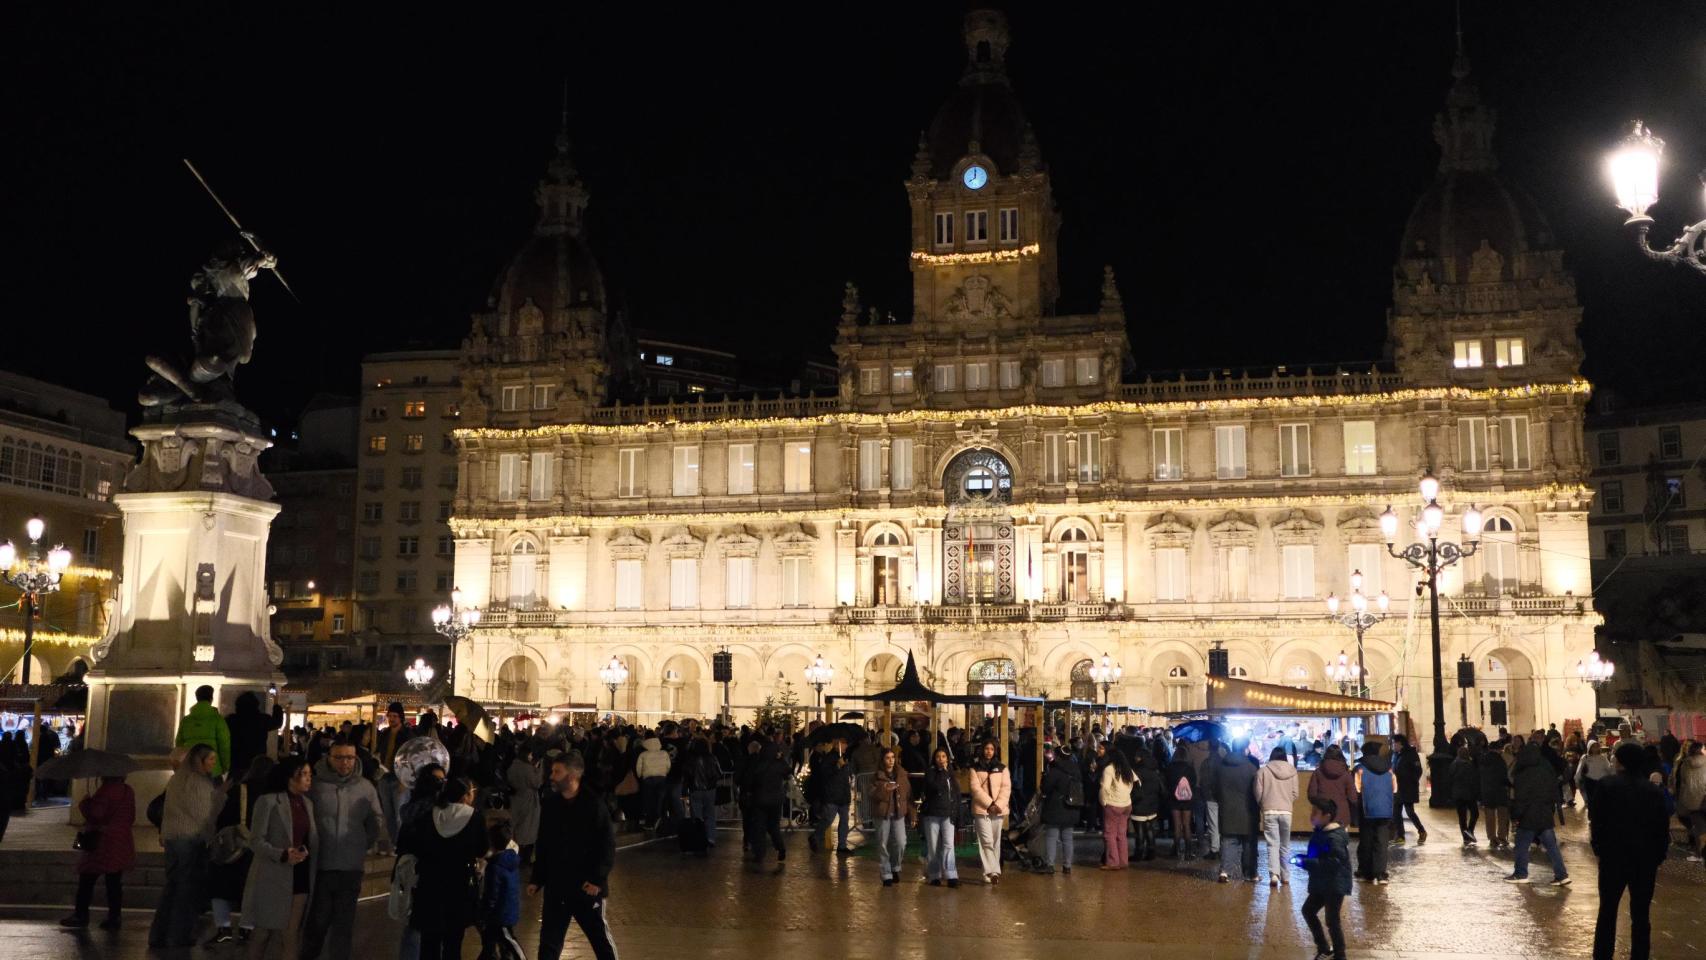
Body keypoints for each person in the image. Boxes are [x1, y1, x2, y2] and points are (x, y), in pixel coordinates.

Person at [530, 752, 618, 960]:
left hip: (585, 886)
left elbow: (606, 845)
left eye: (557, 772)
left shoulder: (594, 805)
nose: (552, 776)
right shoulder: (551, 805)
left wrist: (597, 878)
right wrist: (537, 878)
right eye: (552, 771)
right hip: (557, 885)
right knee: (549, 942)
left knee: (599, 938)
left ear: (572, 775)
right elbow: (544, 844)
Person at [301, 740, 383, 960]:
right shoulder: (315, 785)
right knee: (316, 923)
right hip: (321, 865)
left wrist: (361, 844)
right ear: (329, 757)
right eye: (339, 757)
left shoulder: (365, 787)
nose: (345, 762)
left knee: (344, 925)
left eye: (349, 757)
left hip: (351, 866)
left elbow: (376, 821)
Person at [1590, 742, 1671, 960]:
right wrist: (1658, 855)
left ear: (1622, 762)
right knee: (1641, 915)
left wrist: (1599, 848)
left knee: (1607, 911)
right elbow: (1661, 826)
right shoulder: (1651, 791)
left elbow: (1596, 821)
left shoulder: (1607, 786)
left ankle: (1603, 955)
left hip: (1613, 857)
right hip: (1644, 860)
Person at [150, 744, 225, 949]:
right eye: (210, 759)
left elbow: (168, 810)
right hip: (191, 841)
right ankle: (178, 935)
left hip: (173, 840)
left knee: (172, 888)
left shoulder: (176, 779)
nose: (213, 763)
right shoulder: (200, 783)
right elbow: (205, 816)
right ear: (199, 761)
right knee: (187, 891)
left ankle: (158, 934)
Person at [242, 756, 316, 960]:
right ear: (290, 777)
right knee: (263, 931)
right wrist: (281, 853)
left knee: (290, 932)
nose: (309, 779)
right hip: (272, 873)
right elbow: (255, 840)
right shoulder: (268, 801)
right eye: (304, 774)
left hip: (299, 870)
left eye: (310, 775)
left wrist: (303, 851)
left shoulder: (307, 803)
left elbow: (309, 837)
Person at [412, 776, 488, 960]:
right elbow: (482, 848)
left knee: (429, 940)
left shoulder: (429, 814)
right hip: (459, 883)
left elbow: (418, 845)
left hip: (430, 883)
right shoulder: (474, 817)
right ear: (464, 796)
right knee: (453, 941)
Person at [208, 756, 275, 945]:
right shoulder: (273, 795)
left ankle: (224, 927)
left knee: (221, 887)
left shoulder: (239, 789)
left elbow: (220, 817)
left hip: (234, 845)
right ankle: (247, 929)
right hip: (260, 848)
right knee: (252, 890)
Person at [59, 773, 135, 929]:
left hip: (101, 841)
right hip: (121, 840)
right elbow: (131, 816)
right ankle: (115, 917)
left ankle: (81, 914)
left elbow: (95, 815)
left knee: (87, 878)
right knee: (114, 881)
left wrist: (85, 804)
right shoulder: (128, 791)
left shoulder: (105, 791)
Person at [1505, 739, 1570, 886]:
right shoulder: (1546, 768)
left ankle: (1521, 873)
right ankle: (1562, 875)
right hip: (1545, 813)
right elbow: (1554, 789)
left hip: (1529, 815)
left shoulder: (1523, 773)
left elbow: (1521, 798)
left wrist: (1516, 815)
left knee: (1521, 845)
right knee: (1551, 846)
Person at [1300, 797, 1352, 960]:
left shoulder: (1333, 837)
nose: (1312, 815)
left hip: (1335, 884)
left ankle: (1340, 954)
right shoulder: (1321, 831)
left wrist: (1306, 862)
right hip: (1323, 883)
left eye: (1316, 812)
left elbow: (1334, 862)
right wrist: (1303, 860)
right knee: (1308, 910)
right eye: (1312, 811)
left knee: (1332, 919)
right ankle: (1324, 947)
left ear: (1327, 816)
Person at [1213, 739, 1257, 883]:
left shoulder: (1221, 767)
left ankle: (1225, 871)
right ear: (1245, 749)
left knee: (1227, 841)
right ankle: (1249, 873)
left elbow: (1215, 789)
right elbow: (1255, 791)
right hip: (1247, 810)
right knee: (1248, 843)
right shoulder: (1251, 768)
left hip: (1227, 809)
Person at [480, 820, 525, 960]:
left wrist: (484, 911)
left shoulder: (495, 867)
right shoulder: (511, 860)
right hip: (508, 908)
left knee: (508, 941)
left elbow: (491, 894)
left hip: (499, 915)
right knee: (490, 943)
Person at [1352, 741, 1395, 885]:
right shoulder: (1389, 768)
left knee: (1366, 841)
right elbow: (1395, 788)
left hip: (1367, 808)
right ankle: (1380, 874)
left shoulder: (1360, 768)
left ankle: (1366, 872)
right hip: (1385, 809)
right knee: (1382, 842)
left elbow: (1356, 790)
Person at [967, 739, 1010, 883]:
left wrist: (998, 805)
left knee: (996, 842)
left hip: (998, 810)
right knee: (986, 841)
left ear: (995, 751)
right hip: (981, 809)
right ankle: (993, 872)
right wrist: (989, 803)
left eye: (991, 749)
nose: (989, 752)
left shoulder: (1002, 768)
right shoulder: (974, 768)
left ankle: (989, 872)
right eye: (986, 748)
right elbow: (975, 789)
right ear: (982, 750)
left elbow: (1006, 788)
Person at [1255, 745, 1298, 887]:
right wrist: (1287, 802)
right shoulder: (1293, 772)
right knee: (1285, 845)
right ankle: (1286, 876)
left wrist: (1263, 803)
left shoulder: (1263, 771)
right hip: (1286, 811)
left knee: (1272, 844)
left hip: (1269, 811)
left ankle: (1274, 874)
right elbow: (1295, 794)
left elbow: (1258, 793)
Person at [740, 740, 789, 863]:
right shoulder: (778, 765)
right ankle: (780, 848)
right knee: (774, 827)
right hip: (776, 800)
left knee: (760, 827)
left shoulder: (758, 764)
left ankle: (759, 853)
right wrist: (781, 758)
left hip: (760, 800)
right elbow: (788, 771)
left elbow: (750, 781)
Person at [871, 747, 913, 886]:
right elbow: (871, 794)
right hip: (882, 814)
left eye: (892, 758)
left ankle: (895, 867)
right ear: (883, 760)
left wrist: (912, 814)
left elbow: (908, 795)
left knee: (901, 842)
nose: (891, 761)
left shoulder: (901, 774)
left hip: (898, 813)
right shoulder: (877, 776)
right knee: (882, 843)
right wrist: (885, 790)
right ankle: (886, 873)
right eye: (888, 758)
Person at [919, 747, 960, 887]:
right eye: (938, 757)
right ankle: (934, 875)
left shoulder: (951, 773)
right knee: (933, 846)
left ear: (947, 758)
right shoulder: (930, 773)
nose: (941, 759)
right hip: (932, 814)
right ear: (934, 759)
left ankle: (951, 875)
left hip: (948, 814)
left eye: (943, 756)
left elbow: (955, 793)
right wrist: (943, 772)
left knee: (949, 845)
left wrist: (956, 811)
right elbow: (934, 787)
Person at [1037, 745, 1080, 874]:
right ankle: (1067, 866)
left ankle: (1050, 864)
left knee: (1051, 836)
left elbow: (1045, 788)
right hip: (1071, 807)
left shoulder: (1055, 770)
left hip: (1055, 807)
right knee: (1067, 837)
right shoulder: (1076, 770)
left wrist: (1043, 778)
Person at [226, 690, 285, 783]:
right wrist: (276, 703)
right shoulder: (261, 719)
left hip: (236, 761)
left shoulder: (231, 720)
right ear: (256, 705)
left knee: (234, 788)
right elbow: (277, 722)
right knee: (255, 787)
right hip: (257, 762)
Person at [808, 738, 855, 855]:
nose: (846, 746)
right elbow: (825, 774)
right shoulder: (829, 758)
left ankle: (842, 846)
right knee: (828, 819)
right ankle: (815, 836)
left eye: (846, 743)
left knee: (844, 820)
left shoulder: (844, 757)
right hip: (832, 794)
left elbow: (846, 775)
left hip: (843, 795)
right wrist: (837, 766)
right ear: (837, 744)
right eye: (844, 743)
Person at [175, 685, 233, 779]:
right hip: (213, 769)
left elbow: (179, 746)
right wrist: (225, 766)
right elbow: (224, 746)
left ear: (197, 698)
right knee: (215, 793)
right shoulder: (217, 720)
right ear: (211, 699)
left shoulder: (186, 721)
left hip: (191, 769)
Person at [1306, 744, 1357, 831]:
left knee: (1321, 842)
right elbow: (1353, 797)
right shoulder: (1346, 774)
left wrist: (1320, 804)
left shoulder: (1318, 772)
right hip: (1341, 815)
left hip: (1322, 814)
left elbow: (1312, 794)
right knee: (1340, 842)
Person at [506, 744, 542, 865]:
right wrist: (537, 769)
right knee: (526, 828)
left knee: (514, 825)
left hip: (515, 798)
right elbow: (537, 782)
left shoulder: (513, 765)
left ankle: (512, 851)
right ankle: (523, 857)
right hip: (528, 800)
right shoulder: (527, 768)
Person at [1388, 734, 1426, 845]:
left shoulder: (1411, 754)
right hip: (1397, 788)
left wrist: (1411, 781)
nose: (1393, 745)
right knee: (1396, 812)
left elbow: (1418, 771)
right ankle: (1400, 836)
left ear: (1400, 744)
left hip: (1408, 788)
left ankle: (1421, 830)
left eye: (1394, 743)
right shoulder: (1395, 755)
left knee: (1410, 812)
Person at [1672, 740, 1706, 859]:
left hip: (1691, 802)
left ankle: (1698, 853)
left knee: (1698, 828)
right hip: (1704, 800)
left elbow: (1681, 783)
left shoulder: (1684, 763)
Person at [1163, 748, 1199, 860]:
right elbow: (1194, 782)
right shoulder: (1189, 768)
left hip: (1174, 799)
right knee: (1186, 825)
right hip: (1188, 799)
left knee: (1177, 825)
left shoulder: (1170, 768)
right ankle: (1188, 851)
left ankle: (1176, 850)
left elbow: (1166, 782)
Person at [1129, 748, 1164, 862]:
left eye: (1136, 756)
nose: (1135, 758)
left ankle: (1139, 852)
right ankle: (1151, 851)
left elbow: (1134, 788)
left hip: (1140, 803)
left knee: (1139, 830)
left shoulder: (1137, 771)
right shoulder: (1154, 770)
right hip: (1153, 803)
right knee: (1149, 828)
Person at [1477, 742, 1512, 850]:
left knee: (1490, 816)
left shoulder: (1483, 760)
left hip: (1487, 791)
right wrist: (1510, 785)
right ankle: (1502, 836)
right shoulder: (1500, 760)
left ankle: (1492, 837)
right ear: (1498, 749)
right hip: (1499, 791)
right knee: (1502, 814)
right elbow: (1502, 776)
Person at [633, 735, 670, 830]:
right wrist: (664, 773)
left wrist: (640, 776)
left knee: (649, 800)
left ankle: (650, 822)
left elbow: (638, 768)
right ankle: (659, 818)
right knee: (660, 800)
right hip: (661, 778)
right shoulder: (664, 753)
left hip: (648, 779)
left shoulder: (643, 754)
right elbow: (668, 766)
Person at [1449, 745, 1480, 847]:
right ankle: (1469, 832)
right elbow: (1474, 779)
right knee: (1474, 813)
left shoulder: (1454, 764)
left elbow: (1451, 778)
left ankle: (1466, 836)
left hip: (1458, 794)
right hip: (1469, 794)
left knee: (1462, 817)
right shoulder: (1469, 764)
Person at [1575, 741, 1613, 820]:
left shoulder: (1603, 758)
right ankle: (1592, 817)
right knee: (1591, 800)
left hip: (1601, 781)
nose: (1595, 748)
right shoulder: (1585, 757)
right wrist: (1577, 779)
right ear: (1589, 747)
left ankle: (1601, 815)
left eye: (1597, 746)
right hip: (1590, 781)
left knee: (1601, 800)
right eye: (1593, 746)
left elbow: (1609, 769)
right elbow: (1579, 768)